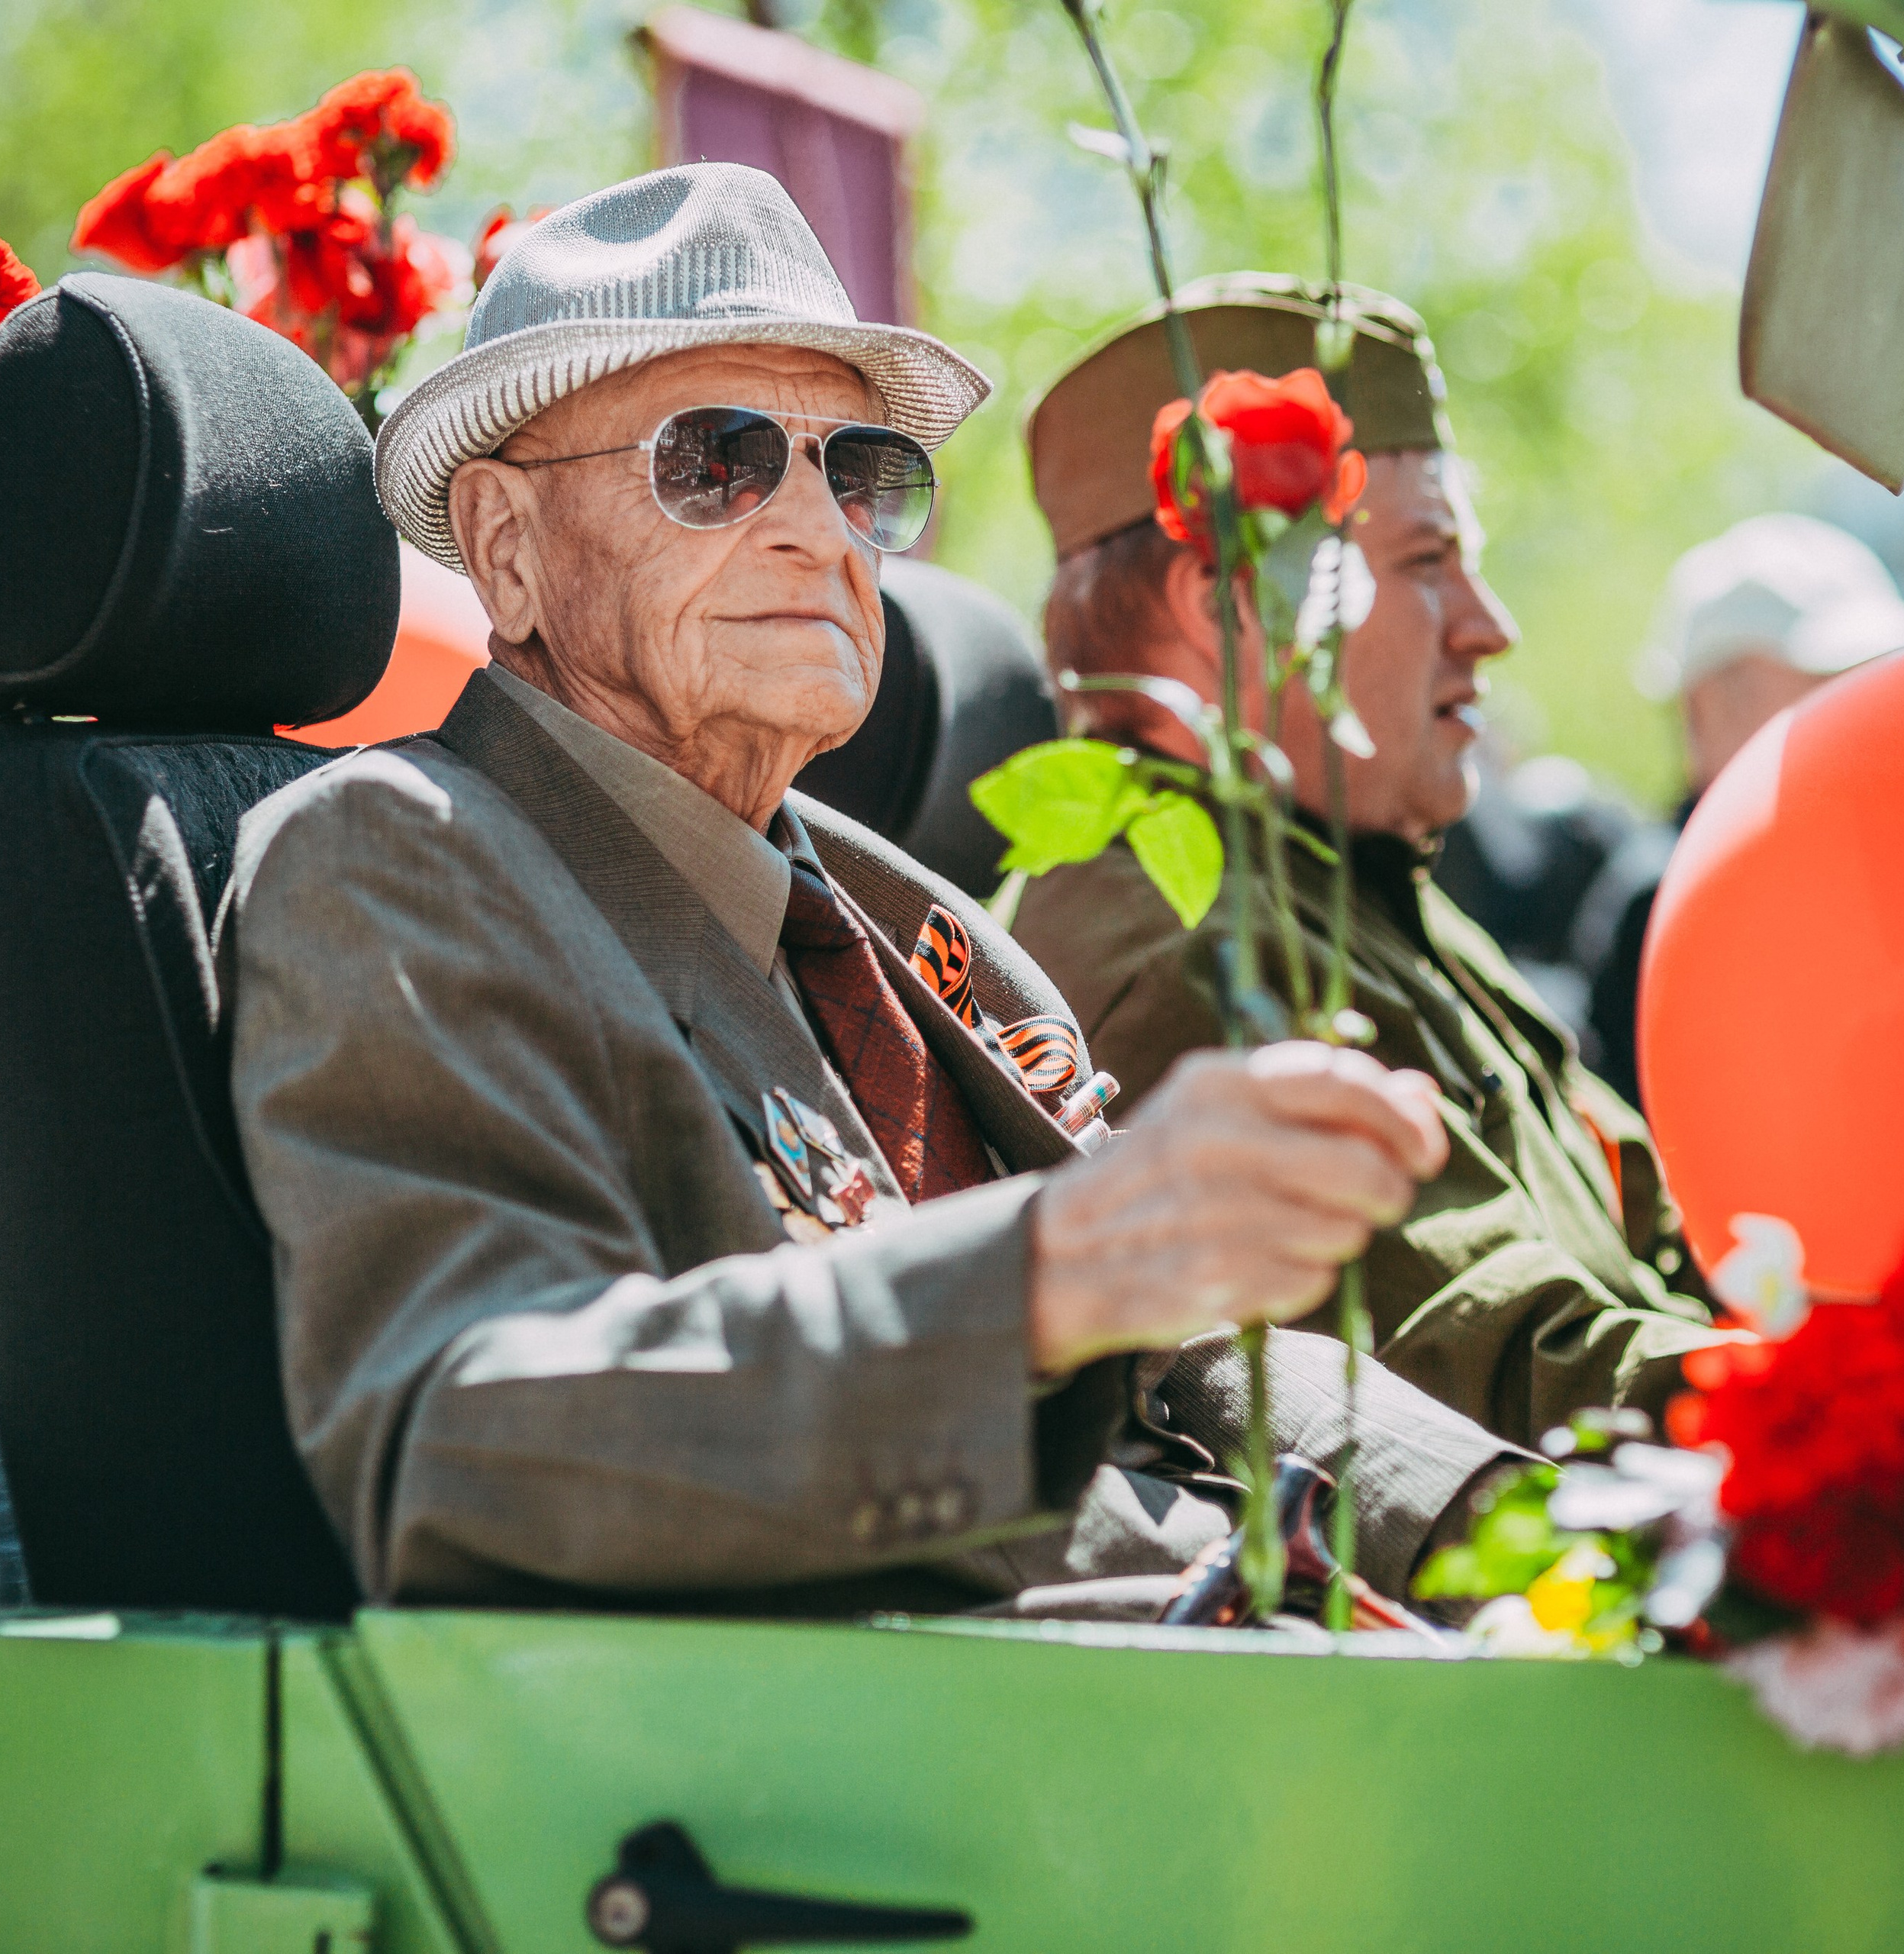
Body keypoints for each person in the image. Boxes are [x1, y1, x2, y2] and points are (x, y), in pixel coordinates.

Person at [226, 167, 1513, 1618]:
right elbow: (465, 1445)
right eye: (715, 460)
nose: (822, 532)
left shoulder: (905, 916)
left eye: (858, 474)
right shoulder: (397, 863)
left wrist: (1523, 1529)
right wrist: (1039, 1278)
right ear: (508, 549)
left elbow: (1191, 1345)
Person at [1010, 275, 1730, 1451]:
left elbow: (1661, 1228)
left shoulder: (1361, 890)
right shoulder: (1194, 947)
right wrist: (1860, 1400)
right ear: (1230, 605)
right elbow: (1516, 1381)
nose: (1489, 625)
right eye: (1430, 561)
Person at [1582, 513, 1904, 1105]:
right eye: (1831, 676)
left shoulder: (1841, 862)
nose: (1869, 702)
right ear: (1712, 707)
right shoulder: (1670, 898)